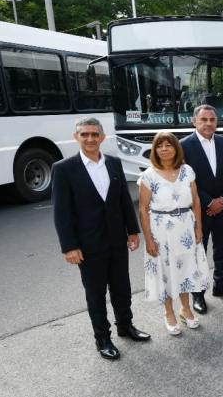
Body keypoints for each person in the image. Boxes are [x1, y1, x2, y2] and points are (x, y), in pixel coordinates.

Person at [52, 117, 150, 360]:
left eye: (95, 134)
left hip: (117, 240)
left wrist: (133, 231)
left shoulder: (114, 164)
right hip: (87, 245)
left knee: (122, 288)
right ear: (77, 138)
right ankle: (102, 339)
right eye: (84, 134)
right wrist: (70, 246)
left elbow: (124, 201)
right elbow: (61, 212)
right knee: (95, 294)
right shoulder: (63, 169)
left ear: (102, 137)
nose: (90, 139)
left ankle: (125, 327)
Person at [138, 132, 211, 335]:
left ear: (175, 148)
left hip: (185, 226)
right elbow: (143, 209)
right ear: (155, 150)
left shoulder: (187, 171)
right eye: (159, 146)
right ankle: (168, 311)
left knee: (186, 268)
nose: (164, 149)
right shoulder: (148, 175)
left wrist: (198, 228)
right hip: (160, 229)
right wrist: (149, 240)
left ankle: (185, 308)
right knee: (166, 271)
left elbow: (196, 200)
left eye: (168, 145)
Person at [181, 105, 223, 315]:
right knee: (199, 251)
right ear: (194, 121)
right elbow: (186, 180)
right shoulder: (184, 146)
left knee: (222, 247)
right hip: (199, 209)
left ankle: (221, 285)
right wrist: (209, 202)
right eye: (204, 120)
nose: (208, 124)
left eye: (212, 120)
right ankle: (198, 294)